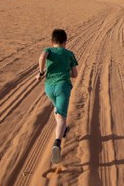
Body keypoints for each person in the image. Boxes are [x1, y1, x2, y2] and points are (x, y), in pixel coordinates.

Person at [38, 29, 78, 164]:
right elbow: (75, 74)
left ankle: (64, 130)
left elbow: (42, 57)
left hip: (49, 87)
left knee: (57, 109)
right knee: (61, 118)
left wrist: (41, 72)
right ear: (65, 42)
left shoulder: (48, 50)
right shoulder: (69, 54)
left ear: (52, 41)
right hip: (63, 87)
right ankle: (57, 143)